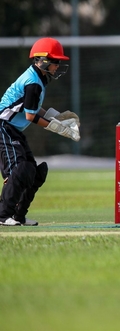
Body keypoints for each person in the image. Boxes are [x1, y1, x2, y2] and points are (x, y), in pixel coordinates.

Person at [0, 37, 81, 226]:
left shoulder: (38, 79)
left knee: (35, 171)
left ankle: (18, 215)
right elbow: (30, 116)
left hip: (13, 130)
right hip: (4, 127)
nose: (57, 66)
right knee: (19, 170)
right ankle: (3, 215)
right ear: (43, 60)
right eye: (55, 61)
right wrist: (57, 128)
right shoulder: (33, 83)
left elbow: (33, 108)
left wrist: (56, 116)